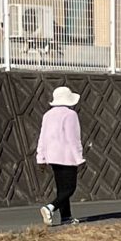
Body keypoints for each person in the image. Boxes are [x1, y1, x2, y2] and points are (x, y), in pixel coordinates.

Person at [35, 85, 84, 228]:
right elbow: (73, 138)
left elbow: (42, 137)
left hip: (52, 156)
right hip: (67, 157)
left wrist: (41, 158)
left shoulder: (47, 115)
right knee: (70, 188)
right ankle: (50, 207)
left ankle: (66, 217)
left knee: (62, 188)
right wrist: (79, 158)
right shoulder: (70, 115)